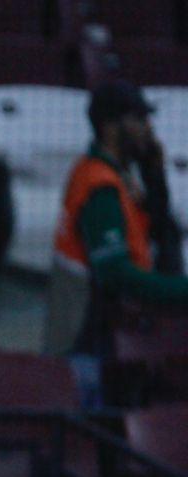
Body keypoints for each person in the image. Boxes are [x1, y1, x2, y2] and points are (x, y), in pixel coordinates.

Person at [48, 81, 188, 407]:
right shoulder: (99, 183)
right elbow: (116, 274)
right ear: (111, 126)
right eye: (138, 119)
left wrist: (154, 175)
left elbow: (164, 240)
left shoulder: (119, 177)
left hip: (107, 336)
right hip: (85, 345)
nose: (147, 128)